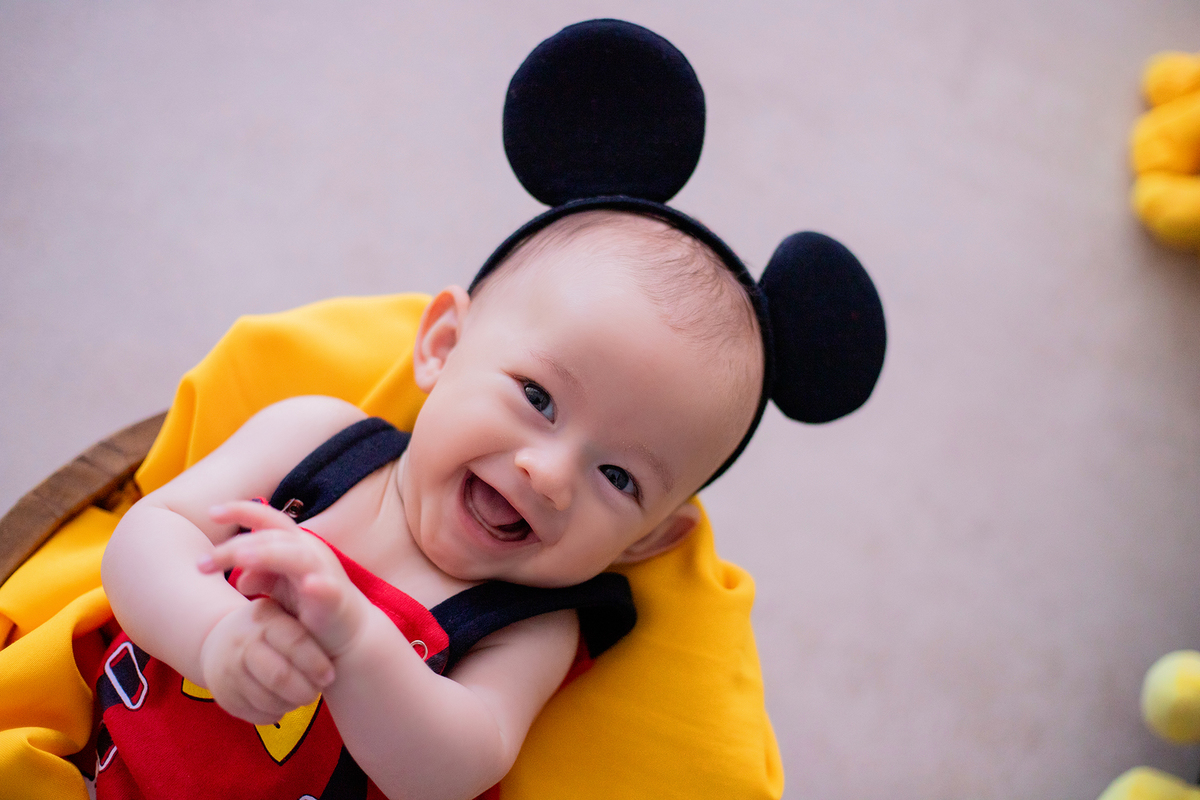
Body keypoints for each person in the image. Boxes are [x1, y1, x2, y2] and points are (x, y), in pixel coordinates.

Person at [97, 210, 765, 800]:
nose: (551, 473)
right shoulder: (318, 443)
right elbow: (149, 535)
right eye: (538, 398)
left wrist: (359, 644)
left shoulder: (531, 625)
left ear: (645, 540)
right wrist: (215, 635)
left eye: (618, 476)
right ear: (442, 347)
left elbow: (452, 772)